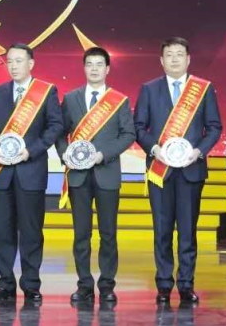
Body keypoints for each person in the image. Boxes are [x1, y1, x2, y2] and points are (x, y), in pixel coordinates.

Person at [134, 37, 222, 304]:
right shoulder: (149, 89)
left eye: (179, 54)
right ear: (161, 61)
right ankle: (163, 284)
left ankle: (186, 283)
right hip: (160, 170)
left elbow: (214, 127)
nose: (174, 59)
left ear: (188, 59)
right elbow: (139, 127)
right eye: (169, 55)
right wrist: (154, 149)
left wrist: (199, 151)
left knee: (187, 231)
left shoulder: (203, 89)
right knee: (162, 230)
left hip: (190, 171)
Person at [0, 43, 64, 302]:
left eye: (19, 61)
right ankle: (5, 283)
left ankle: (31, 284)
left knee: (31, 231)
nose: (13, 66)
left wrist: (31, 151)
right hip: (1, 173)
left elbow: (55, 126)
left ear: (31, 63)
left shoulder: (46, 91)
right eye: (9, 61)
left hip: (31, 171)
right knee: (2, 231)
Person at [56, 46, 135, 303]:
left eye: (99, 64)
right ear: (84, 68)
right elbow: (59, 132)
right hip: (78, 176)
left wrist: (104, 154)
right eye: (89, 64)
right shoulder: (71, 99)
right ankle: (84, 285)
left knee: (108, 233)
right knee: (81, 234)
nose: (94, 69)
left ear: (108, 69)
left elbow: (128, 134)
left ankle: (107, 285)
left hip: (106, 173)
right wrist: (66, 154)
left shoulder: (119, 100)